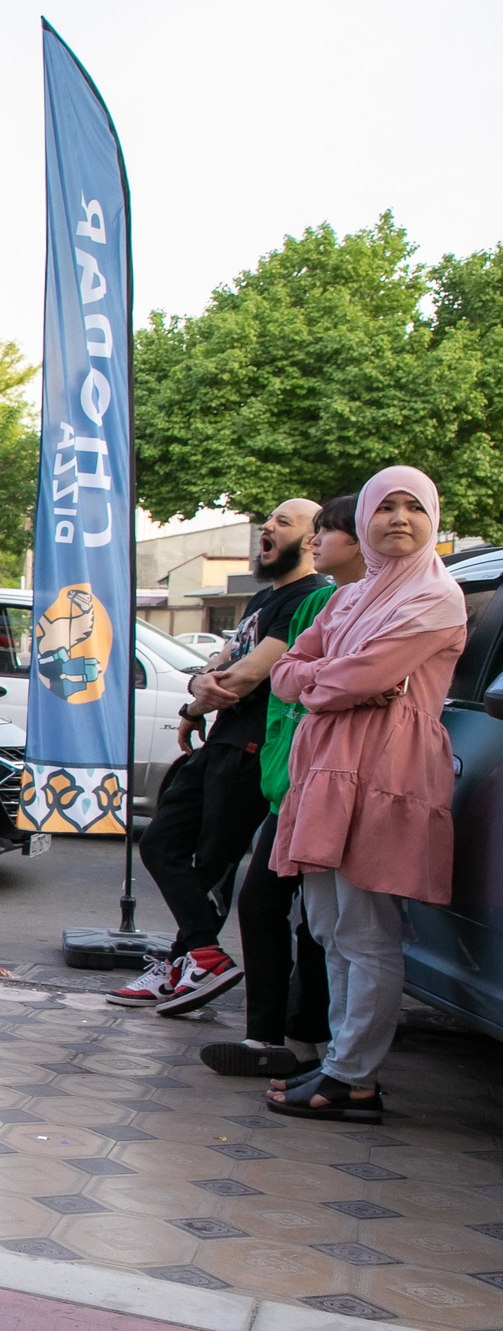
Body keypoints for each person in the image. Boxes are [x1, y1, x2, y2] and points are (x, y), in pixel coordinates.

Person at [263, 468, 468, 1122]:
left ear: (433, 518)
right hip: (326, 770)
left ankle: (354, 1075)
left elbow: (346, 677)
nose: (399, 518)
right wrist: (327, 679)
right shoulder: (349, 597)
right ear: (367, 520)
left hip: (386, 771)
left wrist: (321, 679)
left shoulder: (436, 597)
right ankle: (339, 1062)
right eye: (387, 506)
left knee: (366, 928)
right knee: (327, 925)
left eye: (414, 507)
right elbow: (288, 673)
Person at [110, 498, 329, 1016]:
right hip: (221, 739)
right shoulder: (261, 599)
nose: (267, 529)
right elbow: (218, 663)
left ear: (313, 540)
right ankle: (200, 957)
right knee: (162, 842)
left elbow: (247, 675)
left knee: (210, 864)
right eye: (267, 520)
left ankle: (186, 964)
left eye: (283, 522)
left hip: (256, 748)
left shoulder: (313, 599)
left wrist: (211, 684)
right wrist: (193, 699)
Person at [204, 496, 359, 1077]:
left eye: (328, 529)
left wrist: (296, 674)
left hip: (336, 783)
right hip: (290, 782)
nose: (317, 539)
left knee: (337, 930)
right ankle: (279, 1039)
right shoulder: (336, 603)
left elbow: (297, 677)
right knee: (284, 910)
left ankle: (325, 1055)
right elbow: (285, 675)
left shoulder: (332, 598)